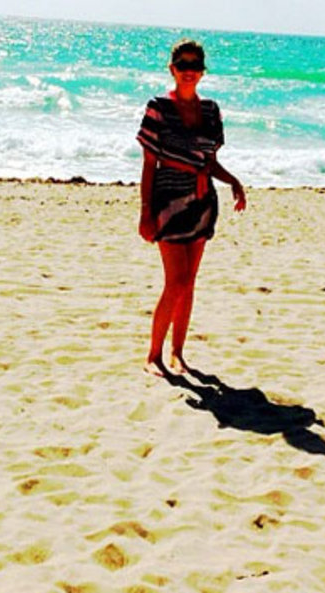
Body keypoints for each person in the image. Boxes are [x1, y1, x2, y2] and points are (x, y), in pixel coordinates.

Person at [136, 39, 246, 376]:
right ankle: (153, 356)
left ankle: (177, 354)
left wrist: (233, 181)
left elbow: (208, 162)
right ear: (172, 69)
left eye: (195, 65)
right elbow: (149, 165)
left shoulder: (211, 111)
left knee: (189, 282)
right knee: (176, 281)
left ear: (202, 71)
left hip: (202, 201)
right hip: (168, 201)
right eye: (183, 65)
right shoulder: (158, 108)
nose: (189, 71)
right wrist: (145, 212)